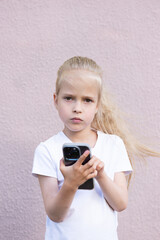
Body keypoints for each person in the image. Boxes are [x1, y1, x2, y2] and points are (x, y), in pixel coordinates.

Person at [32, 56, 159, 240]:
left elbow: (121, 203)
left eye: (87, 100)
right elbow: (55, 214)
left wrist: (100, 175)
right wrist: (71, 183)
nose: (77, 108)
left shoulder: (113, 144)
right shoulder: (47, 150)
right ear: (55, 100)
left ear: (98, 105)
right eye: (69, 98)